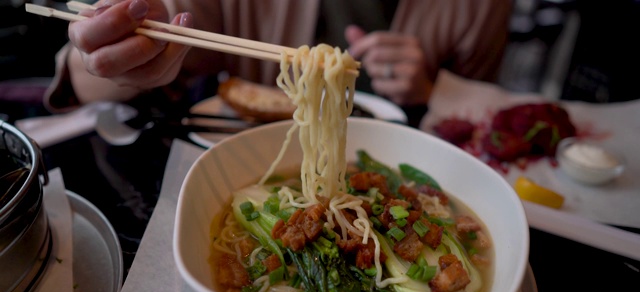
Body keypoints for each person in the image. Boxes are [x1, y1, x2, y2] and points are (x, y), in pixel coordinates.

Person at [44, 0, 512, 126]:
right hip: (248, 159)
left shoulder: (479, 6)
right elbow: (89, 84)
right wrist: (115, 52)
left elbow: (475, 125)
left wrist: (430, 91)